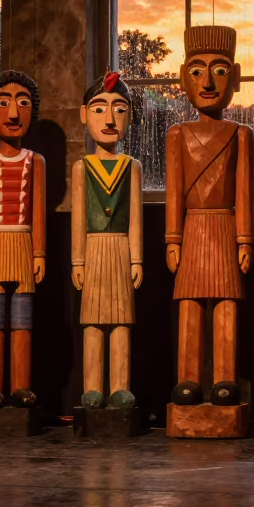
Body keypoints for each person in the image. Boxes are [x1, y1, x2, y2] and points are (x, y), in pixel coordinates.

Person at [165, 26, 254, 413]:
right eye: (197, 70)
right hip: (193, 227)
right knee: (189, 303)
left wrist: (245, 238)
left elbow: (244, 192)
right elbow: (172, 193)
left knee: (226, 304)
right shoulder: (177, 134)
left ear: (234, 77)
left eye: (219, 70)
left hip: (224, 227)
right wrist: (172, 238)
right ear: (184, 76)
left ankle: (224, 380)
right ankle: (187, 379)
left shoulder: (240, 133)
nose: (207, 81)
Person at [0, 70, 45, 409]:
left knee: (22, 320)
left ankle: (20, 386)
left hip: (24, 247)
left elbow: (40, 211)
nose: (14, 113)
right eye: (3, 103)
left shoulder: (37, 162)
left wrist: (40, 253)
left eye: (23, 103)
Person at [71, 71, 143, 411]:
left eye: (119, 109)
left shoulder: (132, 166)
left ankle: (120, 387)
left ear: (130, 115)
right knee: (92, 322)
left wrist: (137, 258)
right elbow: (78, 219)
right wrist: (77, 260)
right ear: (84, 114)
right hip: (94, 250)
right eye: (100, 109)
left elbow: (135, 219)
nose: (110, 119)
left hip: (120, 251)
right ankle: (91, 388)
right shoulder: (81, 168)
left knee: (122, 321)